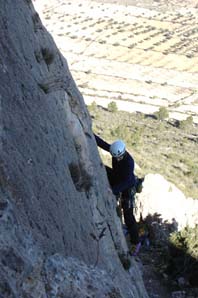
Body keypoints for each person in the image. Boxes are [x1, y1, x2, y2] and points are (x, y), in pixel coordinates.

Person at [94, 134, 139, 244]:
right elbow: (103, 144)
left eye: (118, 157)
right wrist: (90, 133)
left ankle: (135, 240)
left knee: (128, 214)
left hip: (127, 187)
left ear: (123, 153)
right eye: (115, 157)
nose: (117, 159)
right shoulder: (116, 151)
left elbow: (127, 181)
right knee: (101, 168)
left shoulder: (129, 162)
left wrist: (113, 190)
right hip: (118, 178)